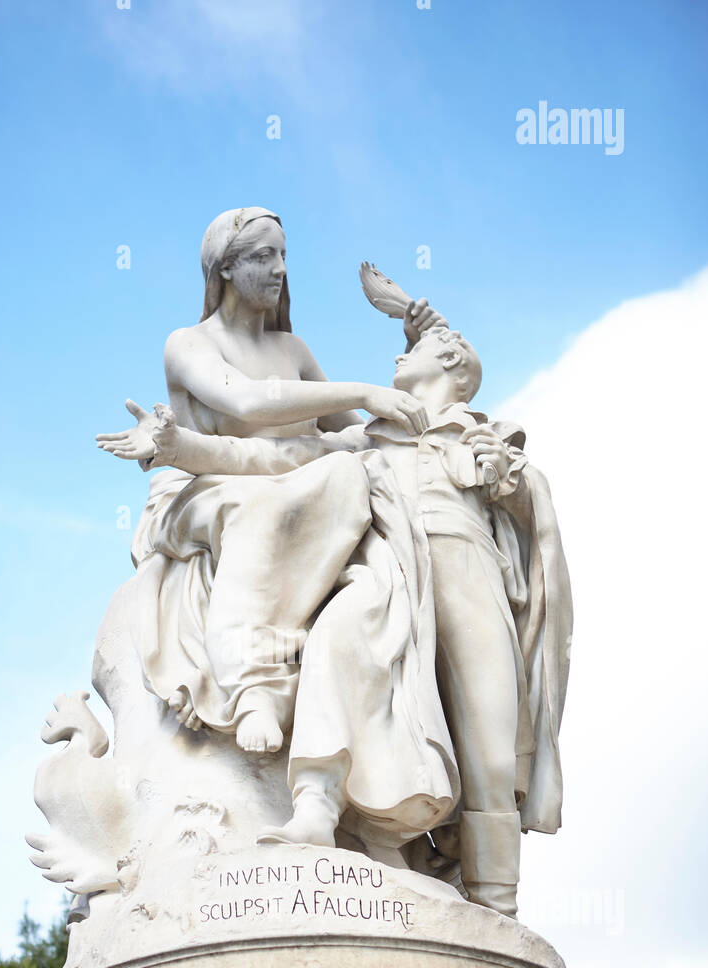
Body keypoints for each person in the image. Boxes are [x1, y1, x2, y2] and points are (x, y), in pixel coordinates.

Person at [116, 322, 572, 920]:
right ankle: (315, 805)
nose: (396, 356)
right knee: (338, 635)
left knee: (490, 744)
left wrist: (513, 485)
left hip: (471, 571)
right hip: (395, 572)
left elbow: (536, 529)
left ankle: (495, 907)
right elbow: (263, 455)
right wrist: (175, 448)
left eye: (413, 350)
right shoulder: (364, 441)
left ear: (452, 356)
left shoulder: (491, 438)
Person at [97, 207, 444, 753]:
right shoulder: (189, 343)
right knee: (258, 506)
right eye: (264, 256)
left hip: (306, 485)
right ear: (225, 269)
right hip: (213, 487)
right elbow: (248, 399)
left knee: (358, 485)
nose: (280, 269)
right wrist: (362, 390)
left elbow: (361, 437)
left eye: (283, 255)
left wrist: (417, 351)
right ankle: (253, 684)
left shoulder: (293, 351)